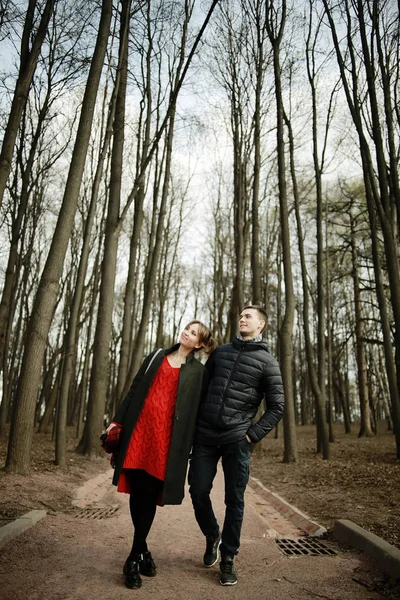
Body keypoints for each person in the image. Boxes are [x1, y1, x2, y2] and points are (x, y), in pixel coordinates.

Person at [106, 320, 215, 589]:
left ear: (199, 344)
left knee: (149, 494)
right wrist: (117, 421)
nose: (186, 333)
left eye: (193, 333)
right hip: (139, 432)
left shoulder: (198, 373)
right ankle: (140, 551)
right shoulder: (156, 355)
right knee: (138, 491)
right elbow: (133, 390)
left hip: (166, 442)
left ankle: (133, 556)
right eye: (187, 328)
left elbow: (197, 412)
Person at [188, 305, 284, 586]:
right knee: (198, 491)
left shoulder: (269, 363)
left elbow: (277, 407)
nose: (242, 319)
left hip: (236, 439)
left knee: (235, 500)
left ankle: (228, 558)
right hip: (205, 435)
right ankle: (211, 534)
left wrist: (252, 435)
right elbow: (203, 389)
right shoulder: (221, 353)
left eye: (248, 316)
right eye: (240, 316)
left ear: (261, 324)